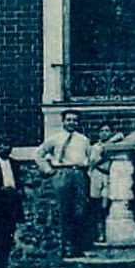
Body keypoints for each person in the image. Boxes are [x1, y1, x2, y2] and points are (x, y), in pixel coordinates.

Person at [36, 110, 100, 258]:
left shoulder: (83, 140)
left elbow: (91, 158)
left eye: (75, 120)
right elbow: (39, 154)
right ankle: (66, 248)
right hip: (62, 174)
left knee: (80, 210)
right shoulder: (55, 139)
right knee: (65, 210)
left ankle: (78, 247)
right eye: (69, 120)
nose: (72, 123)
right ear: (63, 121)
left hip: (79, 174)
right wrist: (47, 169)